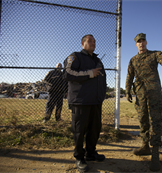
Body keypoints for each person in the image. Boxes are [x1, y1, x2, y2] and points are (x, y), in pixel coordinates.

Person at [125, 33, 162, 172]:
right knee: (143, 120)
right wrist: (127, 90)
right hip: (141, 95)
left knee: (156, 122)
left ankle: (155, 153)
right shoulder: (133, 60)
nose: (141, 43)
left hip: (154, 95)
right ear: (136, 44)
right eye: (138, 42)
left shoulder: (155, 54)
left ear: (146, 42)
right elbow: (129, 75)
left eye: (143, 41)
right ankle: (145, 146)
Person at [63, 34, 106, 172]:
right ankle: (79, 157)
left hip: (96, 101)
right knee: (79, 131)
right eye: (89, 41)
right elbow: (68, 73)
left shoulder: (98, 60)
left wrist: (102, 95)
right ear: (82, 44)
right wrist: (89, 73)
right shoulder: (75, 56)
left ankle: (90, 153)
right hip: (81, 101)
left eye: (94, 41)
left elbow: (102, 80)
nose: (93, 43)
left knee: (95, 129)